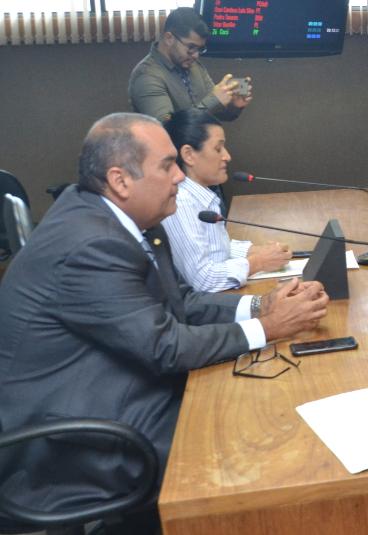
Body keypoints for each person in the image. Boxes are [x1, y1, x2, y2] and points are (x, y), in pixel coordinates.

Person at [0, 113, 329, 529]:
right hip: (70, 440)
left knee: (257, 403)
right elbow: (165, 346)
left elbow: (181, 302)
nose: (179, 177)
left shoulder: (126, 220)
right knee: (255, 445)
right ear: (120, 181)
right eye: (167, 165)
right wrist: (269, 328)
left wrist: (260, 306)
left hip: (113, 390)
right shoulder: (91, 244)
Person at [161, 109, 291, 291]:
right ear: (189, 155)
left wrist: (256, 251)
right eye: (218, 149)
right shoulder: (181, 203)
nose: (227, 156)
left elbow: (214, 248)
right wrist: (258, 262)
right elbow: (202, 280)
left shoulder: (200, 195)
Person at [129, 7, 251, 124]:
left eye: (200, 49)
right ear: (169, 38)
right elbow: (167, 124)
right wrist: (213, 101)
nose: (196, 55)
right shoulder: (146, 77)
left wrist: (233, 106)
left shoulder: (194, 66)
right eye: (191, 47)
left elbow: (213, 112)